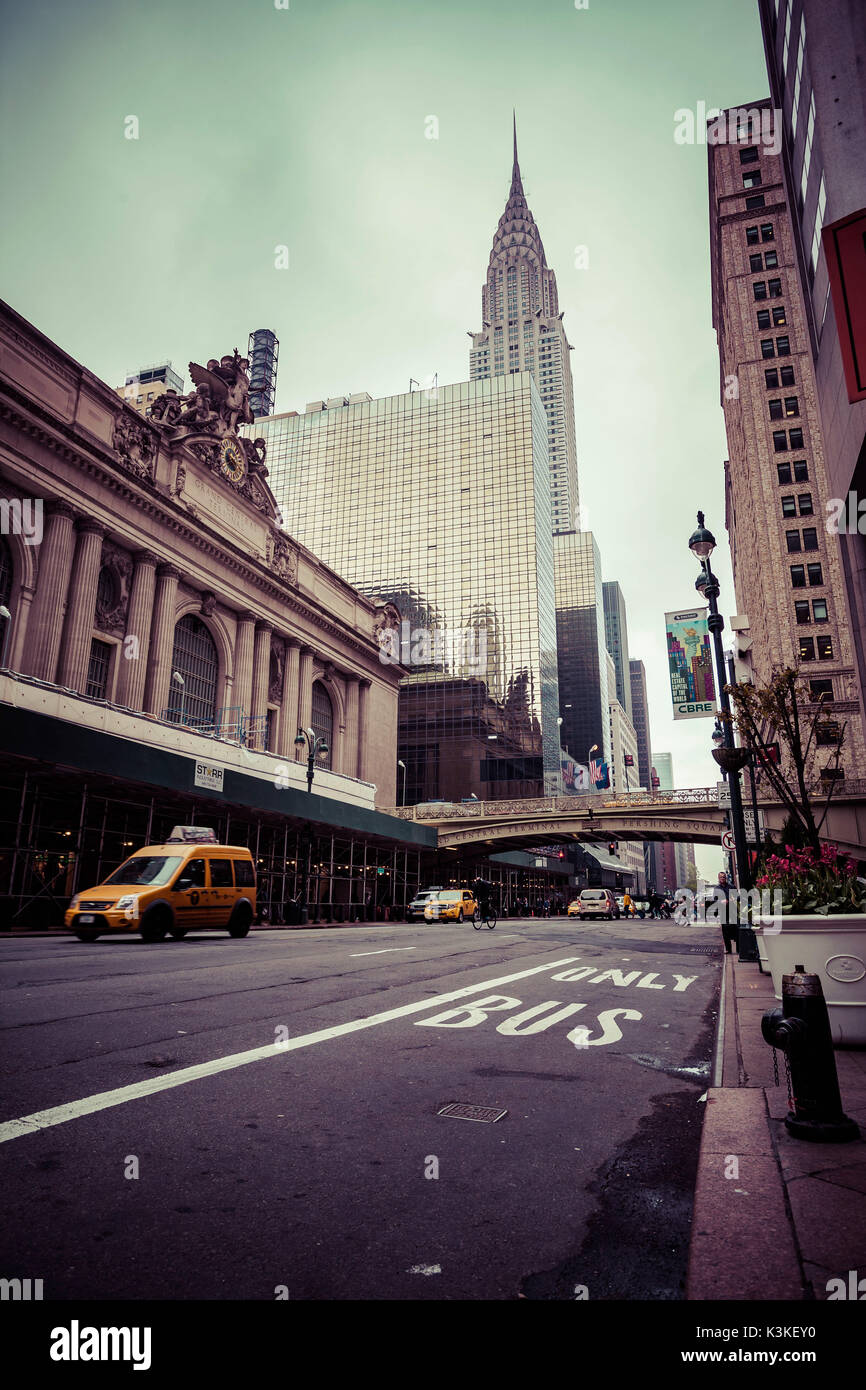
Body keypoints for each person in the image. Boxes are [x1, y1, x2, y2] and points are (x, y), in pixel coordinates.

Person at [711, 870, 737, 954]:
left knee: (734, 929)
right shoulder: (716, 889)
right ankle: (728, 949)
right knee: (725, 931)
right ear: (718, 878)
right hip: (723, 911)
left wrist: (732, 899)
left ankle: (738, 949)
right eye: (721, 877)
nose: (722, 878)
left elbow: (738, 897)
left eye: (724, 877)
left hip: (732, 910)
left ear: (726, 878)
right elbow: (715, 900)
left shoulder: (731, 887)